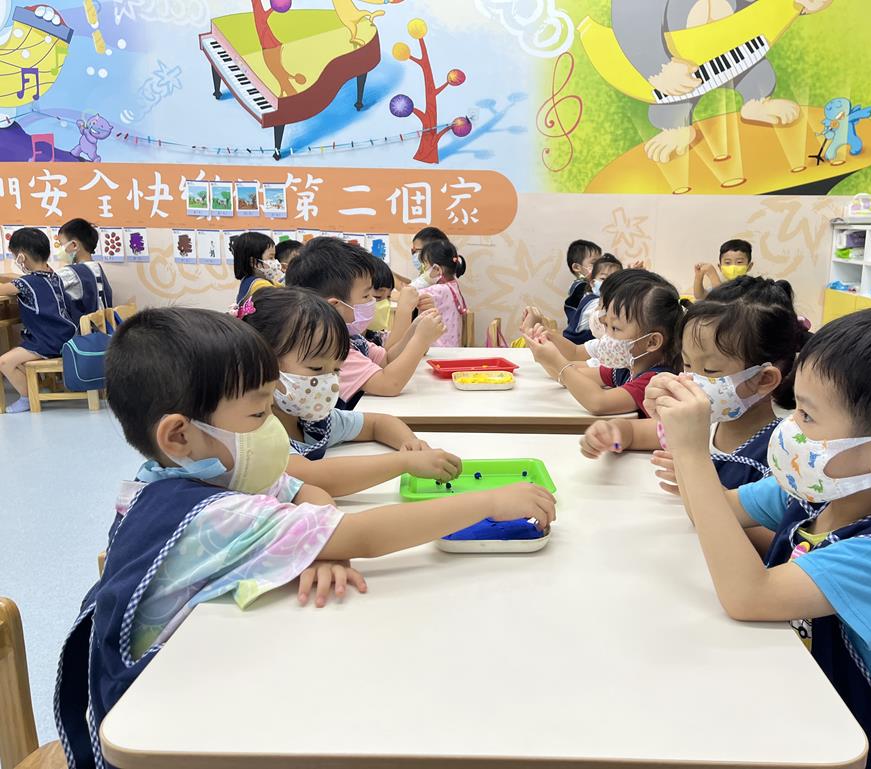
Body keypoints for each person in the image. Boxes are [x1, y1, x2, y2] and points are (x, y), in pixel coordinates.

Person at [54, 306, 556, 769]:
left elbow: (301, 488)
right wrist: (488, 502)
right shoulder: (212, 514)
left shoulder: (198, 473)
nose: (271, 426)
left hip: (205, 686)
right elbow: (364, 535)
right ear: (179, 435)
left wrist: (318, 543)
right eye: (257, 415)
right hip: (167, 731)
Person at [650, 303, 871, 769]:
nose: (788, 427)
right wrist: (679, 437)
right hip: (789, 715)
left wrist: (693, 452)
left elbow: (748, 596)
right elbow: (714, 513)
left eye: (807, 417)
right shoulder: (818, 491)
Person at [581, 277, 809, 553]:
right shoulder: (706, 423)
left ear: (764, 379)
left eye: (710, 371)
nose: (690, 378)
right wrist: (612, 433)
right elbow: (634, 433)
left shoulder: (783, 453)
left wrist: (700, 486)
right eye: (687, 364)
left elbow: (779, 543)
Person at [240, 287, 464, 496]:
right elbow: (315, 477)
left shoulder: (312, 420)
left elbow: (378, 424)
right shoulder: (253, 432)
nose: (330, 381)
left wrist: (411, 444)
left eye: (336, 370)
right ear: (262, 364)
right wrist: (404, 462)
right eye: (316, 369)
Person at [286, 237, 445, 403]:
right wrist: (420, 339)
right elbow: (389, 384)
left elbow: (387, 359)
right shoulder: (326, 348)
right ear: (334, 306)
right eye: (366, 296)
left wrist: (415, 329)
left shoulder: (351, 337)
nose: (372, 301)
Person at [526, 270, 685, 417]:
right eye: (606, 325)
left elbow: (598, 402)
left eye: (615, 328)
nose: (607, 336)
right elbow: (568, 376)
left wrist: (556, 361)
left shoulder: (657, 381)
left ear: (652, 342)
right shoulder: (625, 369)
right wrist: (543, 345)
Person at [0, 227, 78, 413]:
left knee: (4, 362)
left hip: (47, 341)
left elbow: (6, 288)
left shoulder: (25, 283)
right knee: (17, 357)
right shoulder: (53, 276)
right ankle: (36, 389)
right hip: (65, 335)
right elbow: (20, 281)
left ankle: (27, 398)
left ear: (22, 257)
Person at [412, 239, 467, 347]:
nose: (424, 271)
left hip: (437, 348)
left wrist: (423, 281)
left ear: (437, 269)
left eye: (425, 266)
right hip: (451, 347)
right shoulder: (453, 285)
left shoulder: (439, 290)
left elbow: (408, 296)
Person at [55, 218, 114, 318]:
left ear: (74, 245)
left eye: (61, 244)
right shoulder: (97, 268)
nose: (59, 250)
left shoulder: (71, 272)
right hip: (103, 325)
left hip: (81, 326)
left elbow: (44, 284)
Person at [562, 253, 623, 345]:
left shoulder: (594, 296)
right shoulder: (594, 302)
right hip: (575, 344)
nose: (609, 283)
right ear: (593, 283)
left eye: (614, 280)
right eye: (603, 279)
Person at [232, 231, 281, 306]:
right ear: (254, 262)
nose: (275, 261)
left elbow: (284, 287)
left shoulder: (249, 280)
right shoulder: (261, 285)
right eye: (271, 258)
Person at [563, 239, 602, 325]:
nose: (600, 266)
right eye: (594, 263)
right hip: (580, 331)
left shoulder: (594, 284)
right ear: (577, 267)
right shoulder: (579, 287)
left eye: (601, 262)